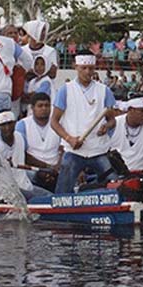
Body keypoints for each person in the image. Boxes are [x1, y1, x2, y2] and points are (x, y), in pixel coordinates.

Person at [51, 52, 117, 194]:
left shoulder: (104, 90)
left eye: (91, 68)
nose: (88, 72)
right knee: (63, 190)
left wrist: (107, 126)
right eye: (84, 68)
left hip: (98, 150)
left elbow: (112, 119)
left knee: (115, 184)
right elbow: (54, 122)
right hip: (74, 150)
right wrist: (69, 138)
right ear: (76, 67)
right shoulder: (65, 90)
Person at [0, 110, 50, 201]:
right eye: (3, 125)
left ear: (15, 123)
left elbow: (25, 156)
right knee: (41, 199)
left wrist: (47, 167)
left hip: (24, 185)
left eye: (10, 123)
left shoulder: (20, 137)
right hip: (4, 191)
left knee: (50, 197)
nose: (7, 128)